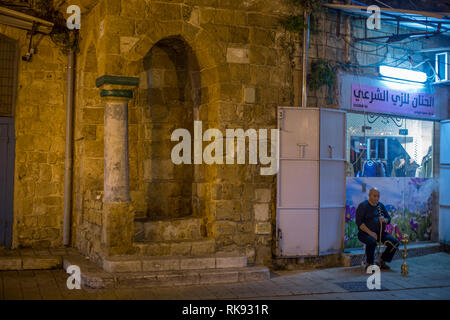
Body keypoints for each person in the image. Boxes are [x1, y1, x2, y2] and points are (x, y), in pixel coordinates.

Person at [356, 188, 400, 270]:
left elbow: (388, 219)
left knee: (395, 243)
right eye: (374, 196)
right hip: (364, 233)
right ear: (369, 195)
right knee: (372, 241)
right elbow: (360, 223)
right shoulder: (363, 206)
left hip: (380, 233)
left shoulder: (380, 206)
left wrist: (385, 220)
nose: (376, 198)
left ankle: (381, 261)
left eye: (378, 196)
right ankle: (369, 264)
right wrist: (371, 233)